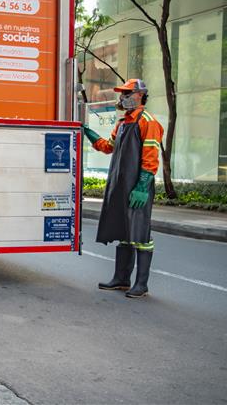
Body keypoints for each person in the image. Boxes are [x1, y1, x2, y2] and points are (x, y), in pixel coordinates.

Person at [82, 78, 164, 298]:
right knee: (125, 232)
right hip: (120, 186)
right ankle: (121, 279)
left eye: (127, 93)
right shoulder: (122, 123)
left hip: (138, 187)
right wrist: (88, 132)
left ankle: (142, 285)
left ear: (140, 95)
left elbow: (150, 159)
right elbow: (108, 147)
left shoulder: (148, 122)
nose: (123, 97)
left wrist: (142, 186)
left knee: (141, 233)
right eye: (123, 94)